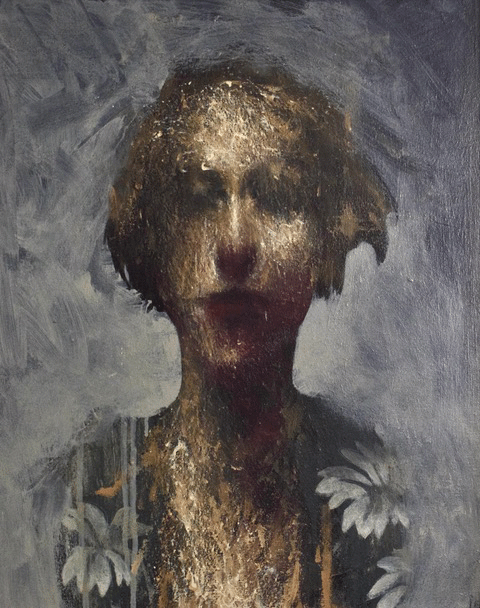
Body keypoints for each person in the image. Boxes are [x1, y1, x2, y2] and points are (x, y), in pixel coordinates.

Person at [59, 60, 408, 608]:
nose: (235, 246)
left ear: (326, 239)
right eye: (201, 198)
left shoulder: (384, 489)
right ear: (152, 238)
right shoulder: (91, 490)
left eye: (276, 196)